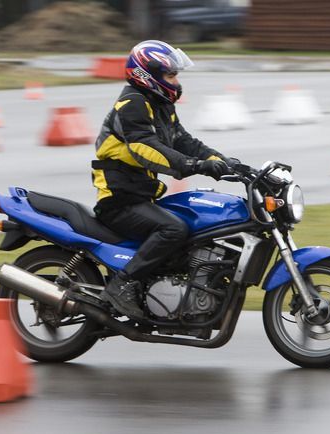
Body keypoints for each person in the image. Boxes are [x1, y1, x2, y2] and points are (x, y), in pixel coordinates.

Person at [91, 40, 233, 319]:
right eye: (171, 75)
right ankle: (122, 285)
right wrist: (195, 166)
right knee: (174, 230)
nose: (176, 82)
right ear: (148, 75)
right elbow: (145, 149)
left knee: (192, 229)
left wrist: (226, 163)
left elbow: (183, 141)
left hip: (141, 196)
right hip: (119, 200)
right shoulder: (132, 104)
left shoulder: (160, 104)